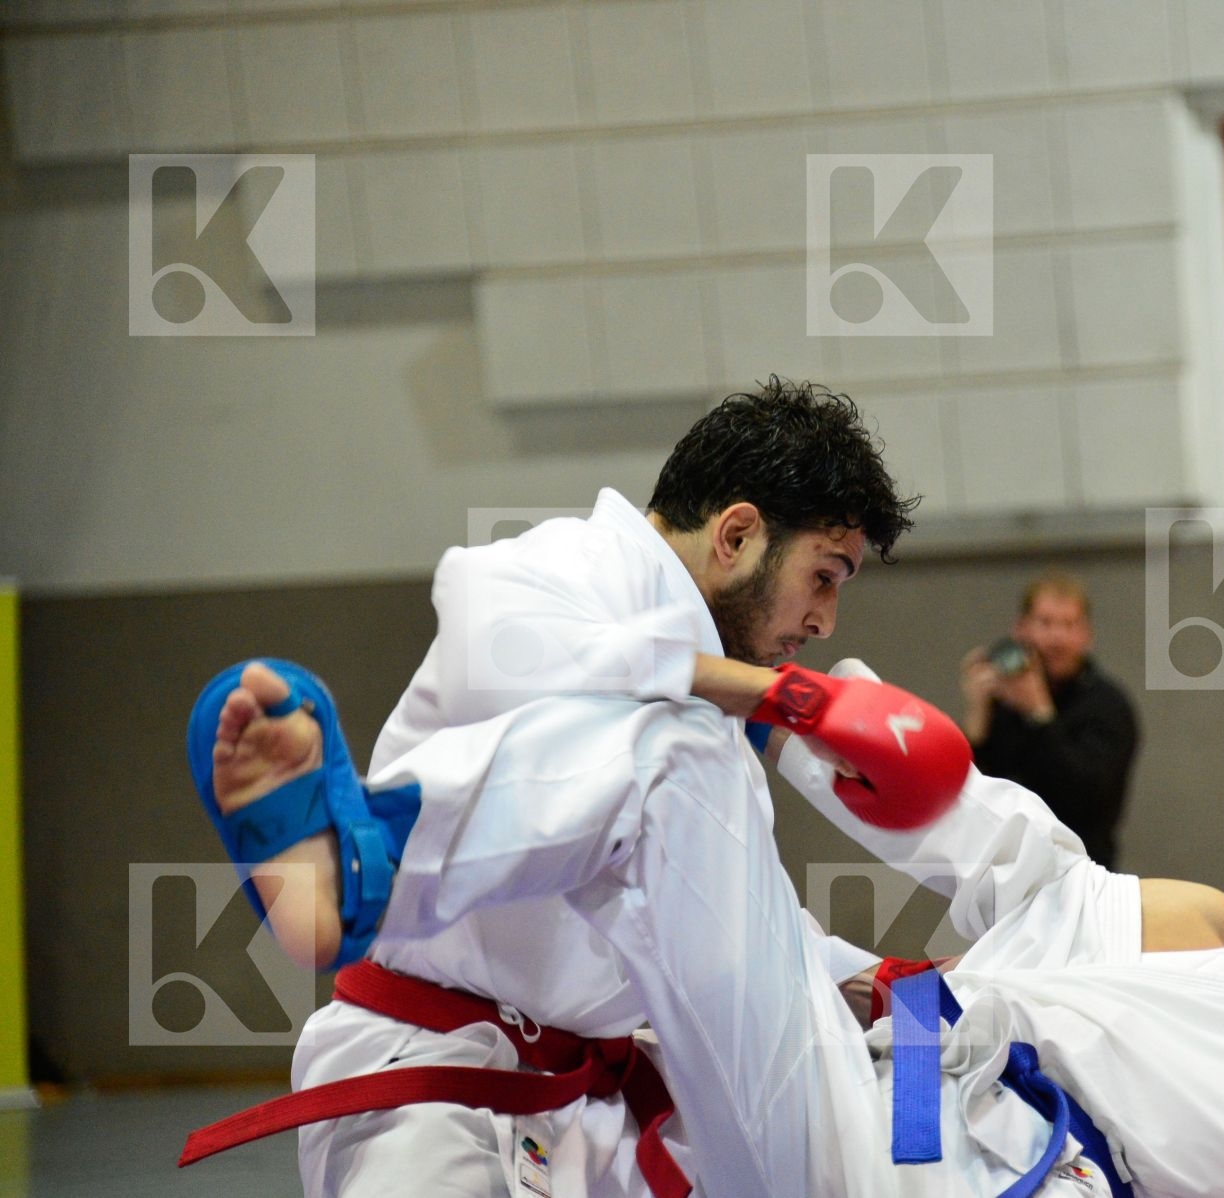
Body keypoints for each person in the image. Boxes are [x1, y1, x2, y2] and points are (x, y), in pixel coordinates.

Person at [230, 641, 1224, 1196]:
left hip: (924, 1158)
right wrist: (825, 698)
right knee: (428, 1024)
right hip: (855, 1048)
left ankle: (394, 837)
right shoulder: (1203, 950)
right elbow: (999, 837)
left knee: (681, 792)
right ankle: (361, 873)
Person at [185, 377, 955, 1196]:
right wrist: (788, 699)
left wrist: (857, 976)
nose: (826, 622)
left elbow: (717, 905)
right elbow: (506, 644)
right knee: (666, 739)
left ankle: (366, 858)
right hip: (435, 1073)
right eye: (825, 576)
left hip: (597, 1107)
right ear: (736, 533)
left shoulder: (709, 723)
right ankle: (360, 859)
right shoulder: (570, 568)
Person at [960, 572, 1138, 867]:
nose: (1057, 638)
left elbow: (1085, 799)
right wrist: (977, 716)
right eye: (1045, 623)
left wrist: (1040, 714)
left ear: (1087, 635)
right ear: (1021, 630)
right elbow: (971, 795)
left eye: (1069, 625)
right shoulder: (1002, 704)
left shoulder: (1109, 706)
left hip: (1082, 872)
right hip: (1004, 872)